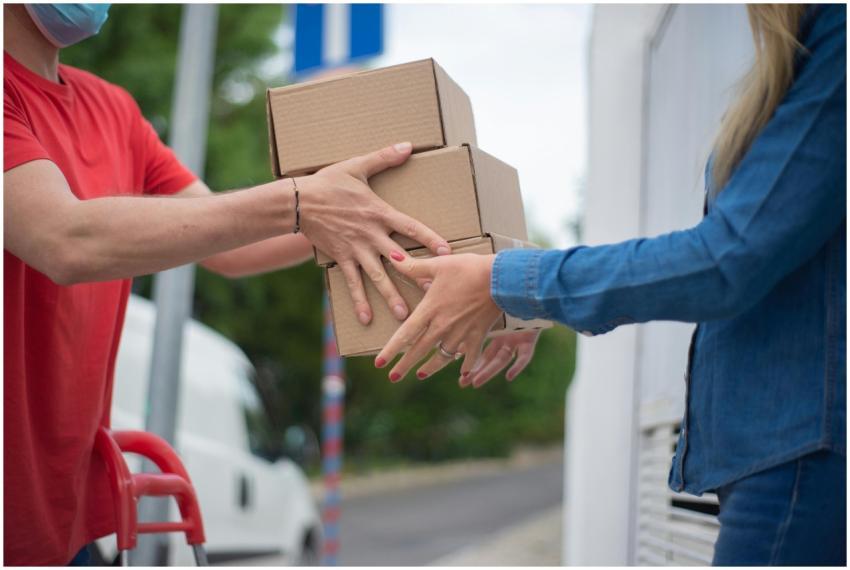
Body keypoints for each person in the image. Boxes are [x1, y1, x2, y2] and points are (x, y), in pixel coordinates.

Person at [376, 4, 846, 565]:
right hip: (779, 458)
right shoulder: (804, 51)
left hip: (797, 460)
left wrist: (505, 283)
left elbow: (725, 261)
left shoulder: (836, 38)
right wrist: (529, 303)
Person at [3, 3, 453, 566]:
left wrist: (393, 208)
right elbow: (65, 239)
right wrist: (301, 200)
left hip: (64, 529)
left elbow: (232, 239)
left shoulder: (111, 109)